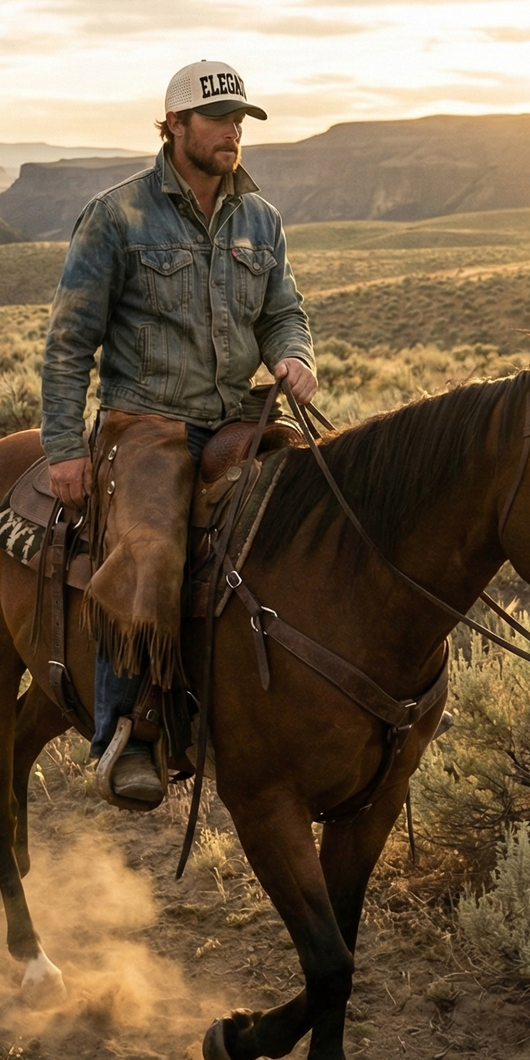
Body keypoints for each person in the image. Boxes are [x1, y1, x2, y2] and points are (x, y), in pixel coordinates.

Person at [40, 60, 317, 806]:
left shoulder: (259, 219)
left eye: (240, 119)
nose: (232, 131)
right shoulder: (117, 216)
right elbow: (69, 343)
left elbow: (282, 310)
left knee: (319, 505)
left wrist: (293, 354)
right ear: (172, 127)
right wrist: (66, 449)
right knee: (151, 547)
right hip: (145, 424)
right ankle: (126, 732)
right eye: (217, 118)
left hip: (235, 417)